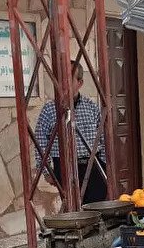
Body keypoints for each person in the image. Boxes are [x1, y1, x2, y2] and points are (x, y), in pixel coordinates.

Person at [34, 61, 107, 204]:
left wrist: (103, 163)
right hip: (64, 167)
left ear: (79, 83)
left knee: (96, 209)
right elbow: (40, 142)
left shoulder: (91, 107)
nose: (63, 83)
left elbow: (103, 137)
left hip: (93, 167)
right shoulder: (49, 110)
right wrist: (46, 171)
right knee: (72, 210)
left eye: (68, 79)